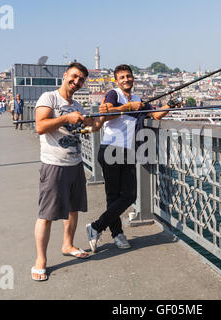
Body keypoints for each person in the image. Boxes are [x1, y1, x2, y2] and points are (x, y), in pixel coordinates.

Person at [85, 64, 181, 252]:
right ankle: (117, 234)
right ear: (116, 80)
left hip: (128, 151)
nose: (126, 79)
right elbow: (107, 113)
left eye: (128, 76)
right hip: (111, 149)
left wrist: (170, 105)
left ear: (133, 79)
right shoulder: (113, 94)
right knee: (113, 196)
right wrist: (129, 106)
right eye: (122, 77)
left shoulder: (138, 99)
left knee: (129, 195)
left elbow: (154, 114)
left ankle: (96, 227)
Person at [31, 62, 104, 281]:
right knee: (47, 215)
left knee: (73, 210)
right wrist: (65, 118)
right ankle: (40, 260)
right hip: (54, 165)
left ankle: (67, 245)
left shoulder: (78, 107)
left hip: (76, 164)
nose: (77, 81)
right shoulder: (49, 98)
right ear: (65, 75)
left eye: (81, 79)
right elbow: (40, 126)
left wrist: (102, 117)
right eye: (74, 76)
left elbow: (91, 127)